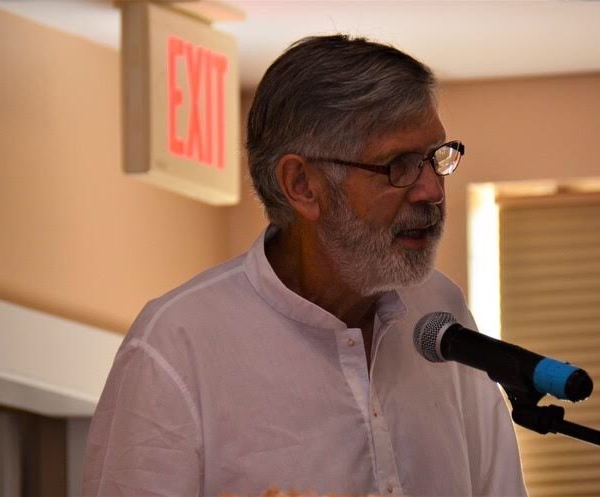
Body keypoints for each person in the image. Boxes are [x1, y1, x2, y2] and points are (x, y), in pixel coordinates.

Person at [83, 34, 528, 497]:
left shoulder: (440, 311)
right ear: (303, 185)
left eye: (437, 158)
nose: (431, 191)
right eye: (399, 165)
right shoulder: (178, 344)